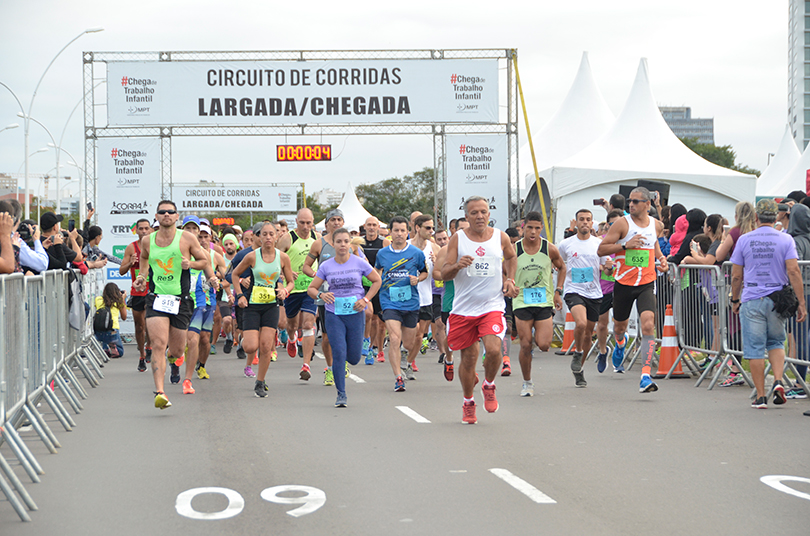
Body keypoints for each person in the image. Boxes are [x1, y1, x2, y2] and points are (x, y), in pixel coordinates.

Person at [132, 200, 217, 410]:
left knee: (178, 350)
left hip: (182, 299)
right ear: (157, 216)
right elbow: (143, 259)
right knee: (159, 344)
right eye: (162, 212)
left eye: (170, 212)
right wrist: (142, 277)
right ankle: (159, 392)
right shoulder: (148, 241)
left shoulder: (186, 238)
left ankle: (174, 360)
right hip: (157, 298)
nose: (166, 215)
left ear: (176, 216)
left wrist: (192, 264)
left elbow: (204, 261)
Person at [441, 196, 517, 424]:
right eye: (474, 213)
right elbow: (444, 273)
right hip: (464, 309)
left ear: (489, 214)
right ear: (467, 216)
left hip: (492, 305)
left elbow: (512, 257)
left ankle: (489, 385)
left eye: (483, 211)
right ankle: (468, 402)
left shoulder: (500, 237)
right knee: (468, 359)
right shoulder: (458, 239)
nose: (480, 216)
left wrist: (510, 280)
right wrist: (456, 266)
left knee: (494, 349)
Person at [730, 199, 807, 409]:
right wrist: (801, 302)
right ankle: (779, 381)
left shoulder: (745, 239)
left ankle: (761, 396)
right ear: (776, 217)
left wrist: (735, 299)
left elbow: (736, 275)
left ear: (756, 217)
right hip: (777, 298)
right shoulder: (785, 239)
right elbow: (793, 271)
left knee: (755, 349)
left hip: (753, 297)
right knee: (776, 342)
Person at [597, 187, 669, 393]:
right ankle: (620, 343)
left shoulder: (657, 225)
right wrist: (625, 246)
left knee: (648, 326)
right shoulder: (622, 224)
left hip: (646, 282)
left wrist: (661, 259)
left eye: (636, 201)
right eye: (630, 201)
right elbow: (601, 249)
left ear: (648, 204)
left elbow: (653, 244)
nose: (631, 204)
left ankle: (645, 376)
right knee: (619, 327)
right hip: (624, 283)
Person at [308, 227, 381, 406]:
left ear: (350, 243)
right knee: (339, 352)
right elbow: (312, 288)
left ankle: (349, 361)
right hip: (334, 314)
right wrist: (321, 295)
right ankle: (341, 393)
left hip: (355, 313)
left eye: (346, 241)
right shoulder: (326, 266)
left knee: (354, 357)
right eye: (338, 242)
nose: (342, 245)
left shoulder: (359, 262)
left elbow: (377, 280)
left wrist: (365, 299)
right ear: (332, 244)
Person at [232, 222, 294, 397]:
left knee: (266, 346)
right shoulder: (252, 256)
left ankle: (260, 381)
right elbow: (235, 275)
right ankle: (245, 340)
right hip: (252, 305)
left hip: (271, 306)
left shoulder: (282, 258)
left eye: (271, 234)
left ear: (276, 237)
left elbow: (290, 282)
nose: (267, 237)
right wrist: (240, 295)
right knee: (251, 346)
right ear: (258, 237)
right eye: (264, 234)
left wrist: (285, 290)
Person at [511, 211, 565, 396]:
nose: (533, 232)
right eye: (529, 228)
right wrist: (509, 285)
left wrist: (558, 291)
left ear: (541, 229)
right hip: (521, 300)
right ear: (522, 228)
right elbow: (504, 271)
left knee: (544, 344)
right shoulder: (514, 249)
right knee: (525, 344)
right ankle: (527, 383)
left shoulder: (549, 248)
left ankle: (533, 335)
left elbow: (562, 267)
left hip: (543, 301)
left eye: (537, 228)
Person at [375, 216, 428, 391]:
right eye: (396, 230)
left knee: (409, 342)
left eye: (402, 231)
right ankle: (398, 377)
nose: (399, 234)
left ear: (408, 232)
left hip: (410, 302)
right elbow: (376, 272)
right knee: (395, 338)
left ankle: (405, 355)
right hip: (389, 301)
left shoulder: (416, 253)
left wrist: (417, 279)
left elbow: (424, 273)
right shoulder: (382, 254)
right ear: (390, 232)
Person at [558, 209, 607, 387]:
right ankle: (577, 352)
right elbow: (560, 262)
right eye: (581, 219)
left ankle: (579, 369)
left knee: (588, 334)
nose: (585, 222)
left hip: (594, 292)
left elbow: (606, 266)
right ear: (576, 223)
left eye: (588, 220)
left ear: (592, 223)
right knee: (581, 324)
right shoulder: (566, 244)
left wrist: (608, 267)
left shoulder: (599, 243)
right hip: (574, 290)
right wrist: (559, 287)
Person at [277, 208, 320, 380]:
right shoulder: (287, 239)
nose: (305, 226)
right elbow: (275, 262)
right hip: (292, 289)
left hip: (311, 288)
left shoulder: (317, 238)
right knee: (292, 325)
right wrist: (284, 275)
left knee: (308, 324)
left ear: (313, 222)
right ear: (296, 221)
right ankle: (292, 339)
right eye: (302, 222)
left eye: (309, 223)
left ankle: (306, 365)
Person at [189, 224, 231, 388]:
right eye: (200, 237)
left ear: (211, 238)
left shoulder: (216, 256)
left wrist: (217, 280)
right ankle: (177, 361)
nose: (203, 240)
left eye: (206, 237)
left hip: (207, 301)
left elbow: (228, 276)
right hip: (186, 300)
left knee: (205, 339)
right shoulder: (185, 253)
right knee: (187, 338)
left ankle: (201, 366)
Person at [119, 218, 154, 371]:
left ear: (151, 230)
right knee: (139, 327)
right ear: (137, 230)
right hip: (137, 291)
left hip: (152, 290)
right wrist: (130, 263)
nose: (144, 231)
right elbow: (121, 271)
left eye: (147, 228)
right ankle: (141, 354)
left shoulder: (156, 246)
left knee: (149, 324)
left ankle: (150, 347)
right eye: (141, 228)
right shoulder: (131, 248)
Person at [408, 214, 440, 376]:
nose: (431, 231)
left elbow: (439, 276)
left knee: (420, 335)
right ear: (417, 228)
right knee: (411, 333)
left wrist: (437, 263)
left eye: (432, 228)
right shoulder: (406, 246)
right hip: (407, 297)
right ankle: (405, 353)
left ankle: (409, 361)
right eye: (428, 228)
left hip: (426, 297)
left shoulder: (434, 248)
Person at [594, 210, 623, 373]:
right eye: (613, 224)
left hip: (622, 287)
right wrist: (603, 267)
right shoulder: (601, 242)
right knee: (602, 323)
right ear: (607, 225)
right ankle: (603, 351)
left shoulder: (628, 242)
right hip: (604, 287)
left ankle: (620, 343)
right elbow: (594, 261)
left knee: (620, 325)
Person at [786, 203, 810, 399]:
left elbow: (795, 267)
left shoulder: (795, 242)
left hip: (803, 293)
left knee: (800, 338)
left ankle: (800, 383)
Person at [358, 216, 390, 364]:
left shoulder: (384, 243)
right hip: (361, 283)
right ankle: (365, 340)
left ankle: (373, 348)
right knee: (367, 314)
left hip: (378, 282)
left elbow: (388, 262)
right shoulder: (358, 242)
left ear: (378, 227)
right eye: (369, 225)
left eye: (374, 225)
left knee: (378, 319)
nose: (371, 227)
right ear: (364, 226)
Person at [93, 283, 128, 358]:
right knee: (120, 352)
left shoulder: (98, 299)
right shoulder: (118, 302)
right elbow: (124, 317)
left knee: (105, 335)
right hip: (112, 329)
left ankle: (107, 348)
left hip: (99, 331)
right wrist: (123, 299)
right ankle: (112, 347)